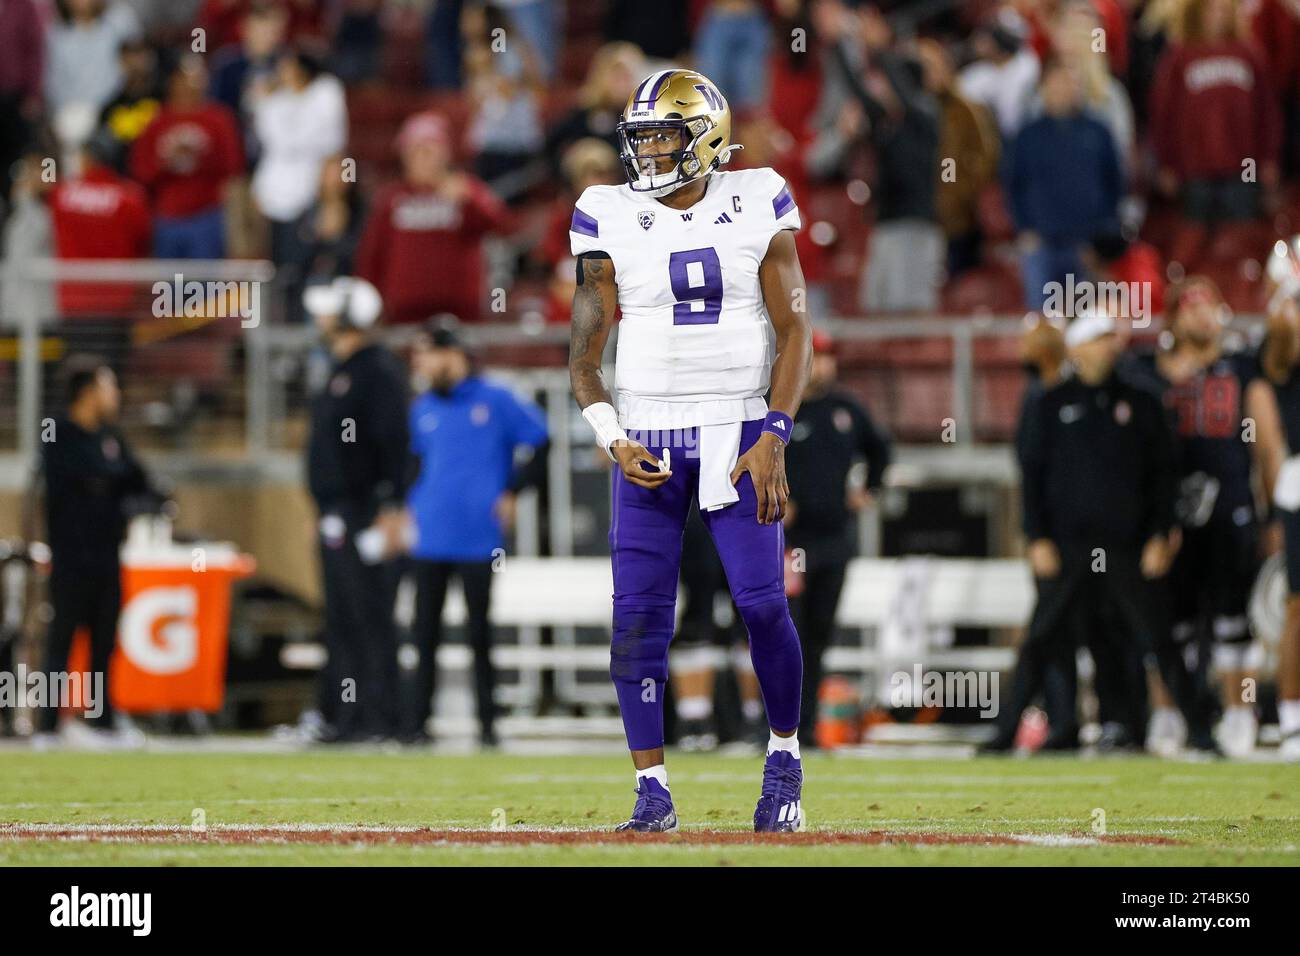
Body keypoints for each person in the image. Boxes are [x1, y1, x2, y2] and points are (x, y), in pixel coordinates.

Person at [568, 69, 813, 832]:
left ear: (703, 136)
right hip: (648, 436)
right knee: (637, 621)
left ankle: (783, 762)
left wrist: (775, 431)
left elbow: (796, 330)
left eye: (662, 136)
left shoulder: (757, 197)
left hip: (740, 432)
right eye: (638, 139)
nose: (646, 153)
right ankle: (653, 792)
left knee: (762, 605)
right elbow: (582, 359)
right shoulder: (603, 211)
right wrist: (612, 437)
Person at [984, 311, 1177, 753]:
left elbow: (1157, 472)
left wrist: (1160, 530)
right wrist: (1037, 536)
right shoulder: (1047, 398)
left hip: (1116, 542)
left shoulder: (1125, 398)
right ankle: (1053, 725)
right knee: (1052, 636)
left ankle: (1125, 725)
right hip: (1066, 542)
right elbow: (1032, 472)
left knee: (1116, 634)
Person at [1127, 276, 1286, 756]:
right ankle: (1171, 712)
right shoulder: (1148, 372)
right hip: (1170, 516)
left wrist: (1275, 512)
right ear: (1173, 316)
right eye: (1189, 305)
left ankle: (1240, 714)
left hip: (1231, 510)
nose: (1199, 313)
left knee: (1234, 621)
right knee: (1169, 624)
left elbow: (1266, 444)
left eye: (1208, 303)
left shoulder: (1241, 367)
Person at [402, 319, 549, 747]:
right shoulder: (423, 407)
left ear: (452, 354)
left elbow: (541, 441)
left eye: (427, 353)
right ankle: (416, 724)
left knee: (479, 632)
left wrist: (512, 491)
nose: (422, 363)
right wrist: (404, 509)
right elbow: (413, 463)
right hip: (429, 534)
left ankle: (487, 724)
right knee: (423, 633)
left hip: (478, 537)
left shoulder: (496, 399)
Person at [303, 277, 409, 742]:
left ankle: (375, 717)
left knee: (368, 615)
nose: (319, 319)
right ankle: (342, 717)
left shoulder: (376, 372)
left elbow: (395, 446)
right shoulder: (343, 368)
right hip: (340, 512)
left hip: (364, 513)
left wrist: (389, 507)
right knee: (343, 617)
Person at [35, 355, 158, 746]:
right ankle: (49, 727)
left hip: (107, 555)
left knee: (104, 642)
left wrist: (114, 488)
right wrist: (110, 486)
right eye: (109, 387)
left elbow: (141, 482)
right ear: (88, 392)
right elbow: (74, 484)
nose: (116, 395)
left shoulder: (111, 438)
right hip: (71, 557)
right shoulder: (58, 432)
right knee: (62, 641)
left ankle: (101, 720)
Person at [784, 330, 891, 745]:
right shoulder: (780, 407)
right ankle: (779, 724)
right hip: (790, 543)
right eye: (815, 356)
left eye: (827, 357)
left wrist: (871, 490)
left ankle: (806, 725)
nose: (822, 365)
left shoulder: (846, 409)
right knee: (790, 633)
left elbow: (880, 450)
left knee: (820, 635)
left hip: (834, 539)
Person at [355, 112, 511, 324]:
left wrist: (470, 199)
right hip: (403, 313)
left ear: (444, 154)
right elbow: (372, 255)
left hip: (460, 312)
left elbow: (500, 224)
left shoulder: (464, 189)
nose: (420, 159)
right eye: (413, 151)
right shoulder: (390, 198)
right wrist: (370, 304)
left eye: (427, 151)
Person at [1008, 57, 1122, 311]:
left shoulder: (1098, 131)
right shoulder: (1028, 136)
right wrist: (1024, 228)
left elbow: (1115, 182)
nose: (1067, 88)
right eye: (1060, 81)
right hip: (1041, 243)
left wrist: (1103, 234)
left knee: (1087, 320)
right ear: (1044, 86)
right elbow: (1013, 185)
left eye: (1073, 82)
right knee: (1043, 321)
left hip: (1088, 243)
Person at [129, 54, 243, 259]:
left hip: (207, 215)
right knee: (169, 288)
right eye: (186, 77)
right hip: (166, 218)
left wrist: (199, 158)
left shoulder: (219, 118)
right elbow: (141, 171)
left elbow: (233, 165)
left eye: (199, 77)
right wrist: (167, 162)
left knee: (204, 288)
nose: (193, 83)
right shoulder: (157, 121)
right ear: (173, 81)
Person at [1256, 243, 1300, 760]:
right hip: (1297, 481)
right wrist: (1286, 287)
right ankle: (1291, 717)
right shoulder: (1283, 341)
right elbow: (1282, 345)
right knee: (1297, 606)